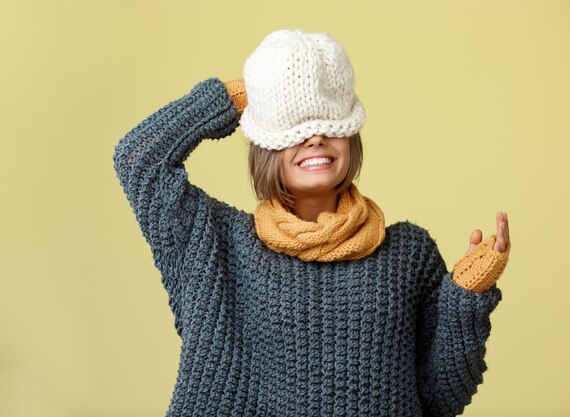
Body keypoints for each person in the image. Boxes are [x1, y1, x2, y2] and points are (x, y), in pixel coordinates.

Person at [113, 28, 511, 417]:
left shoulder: (408, 254)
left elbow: (440, 400)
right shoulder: (215, 244)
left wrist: (466, 298)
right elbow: (139, 159)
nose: (315, 137)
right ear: (267, 144)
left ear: (350, 138)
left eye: (328, 123)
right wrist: (246, 94)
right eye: (295, 125)